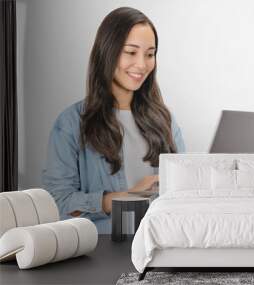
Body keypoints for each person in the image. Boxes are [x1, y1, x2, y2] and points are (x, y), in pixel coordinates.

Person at [42, 7, 185, 234]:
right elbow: (57, 202)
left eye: (150, 54)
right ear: (108, 52)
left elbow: (183, 193)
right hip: (103, 249)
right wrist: (126, 197)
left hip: (159, 243)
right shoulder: (71, 123)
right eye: (131, 52)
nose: (142, 64)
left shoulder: (164, 120)